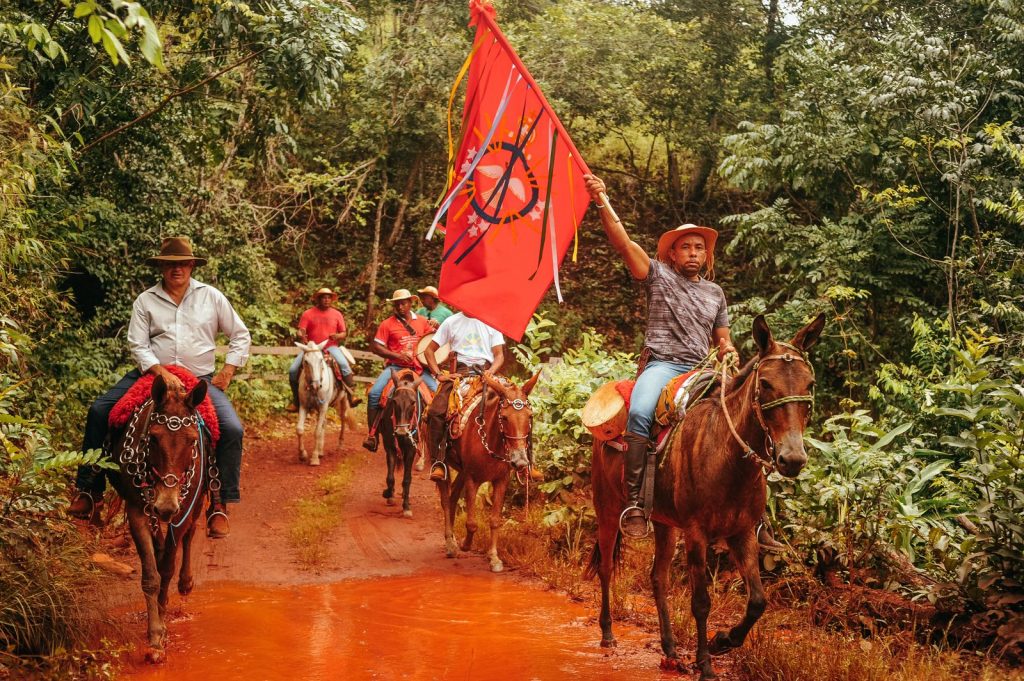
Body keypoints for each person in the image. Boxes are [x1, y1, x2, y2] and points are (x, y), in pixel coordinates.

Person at [584, 174, 735, 540]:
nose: (693, 253)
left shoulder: (716, 293)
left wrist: (728, 351)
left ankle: (752, 517)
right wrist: (601, 200)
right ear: (672, 253)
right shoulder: (658, 276)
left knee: (745, 416)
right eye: (686, 247)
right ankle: (636, 502)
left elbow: (723, 340)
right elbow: (624, 244)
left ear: (707, 254)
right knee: (639, 411)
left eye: (699, 247)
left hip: (702, 369)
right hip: (663, 366)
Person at [68, 237, 251, 538]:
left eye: (181, 263)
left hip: (197, 380)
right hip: (152, 377)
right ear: (161, 267)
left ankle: (219, 504)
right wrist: (160, 371)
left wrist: (228, 370)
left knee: (231, 429)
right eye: (169, 264)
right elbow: (138, 344)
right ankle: (90, 489)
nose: (176, 269)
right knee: (100, 410)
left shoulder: (212, 297)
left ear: (192, 265)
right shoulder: (146, 300)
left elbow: (240, 335)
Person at [421, 311, 504, 482]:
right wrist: (438, 375)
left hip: (486, 373)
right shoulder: (451, 322)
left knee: (517, 404)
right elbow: (429, 351)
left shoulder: (492, 322)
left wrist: (491, 372)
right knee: (436, 411)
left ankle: (524, 462)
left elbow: (499, 355)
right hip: (458, 374)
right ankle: (438, 462)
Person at [362, 289, 437, 452]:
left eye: (404, 303)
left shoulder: (423, 322)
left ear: (411, 303)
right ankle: (372, 435)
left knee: (438, 393)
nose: (400, 306)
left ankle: (438, 440)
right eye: (397, 304)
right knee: (375, 393)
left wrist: (436, 327)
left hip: (418, 368)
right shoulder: (387, 324)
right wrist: (397, 355)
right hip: (394, 367)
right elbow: (376, 347)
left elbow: (432, 342)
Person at [287, 287, 361, 410]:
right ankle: (296, 400)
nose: (326, 300)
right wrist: (301, 334)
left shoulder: (337, 314)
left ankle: (351, 395)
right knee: (293, 370)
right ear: (318, 299)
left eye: (328, 298)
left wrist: (337, 336)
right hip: (312, 349)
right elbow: (301, 330)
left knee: (344, 365)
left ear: (331, 300)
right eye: (323, 298)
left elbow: (343, 333)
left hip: (330, 347)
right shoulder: (308, 313)